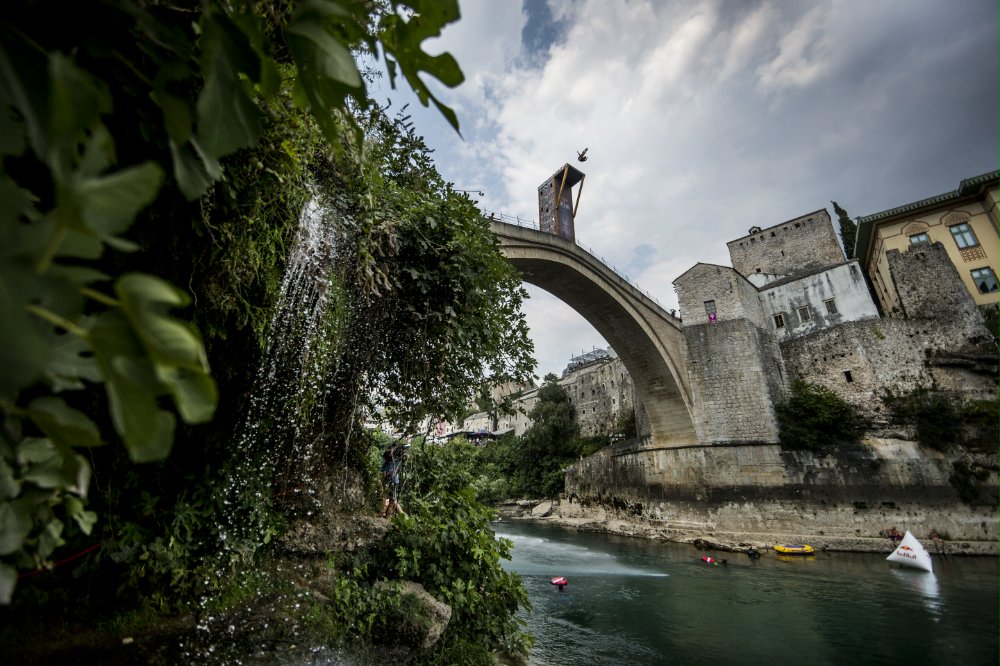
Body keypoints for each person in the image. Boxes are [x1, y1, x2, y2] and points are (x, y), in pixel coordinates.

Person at [381, 442, 408, 518]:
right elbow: (405, 458)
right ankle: (387, 516)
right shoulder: (396, 461)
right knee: (392, 501)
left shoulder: (386, 463)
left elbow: (383, 476)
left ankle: (382, 513)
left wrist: (382, 483)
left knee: (386, 498)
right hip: (394, 482)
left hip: (388, 482)